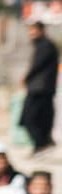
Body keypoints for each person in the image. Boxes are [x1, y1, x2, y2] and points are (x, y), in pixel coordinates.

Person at [20, 21, 59, 157]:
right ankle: (42, 144)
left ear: (41, 31)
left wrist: (26, 77)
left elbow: (38, 65)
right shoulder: (41, 45)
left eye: (34, 30)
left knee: (31, 118)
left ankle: (42, 144)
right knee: (35, 118)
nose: (32, 34)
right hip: (39, 88)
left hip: (40, 89)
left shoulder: (46, 46)